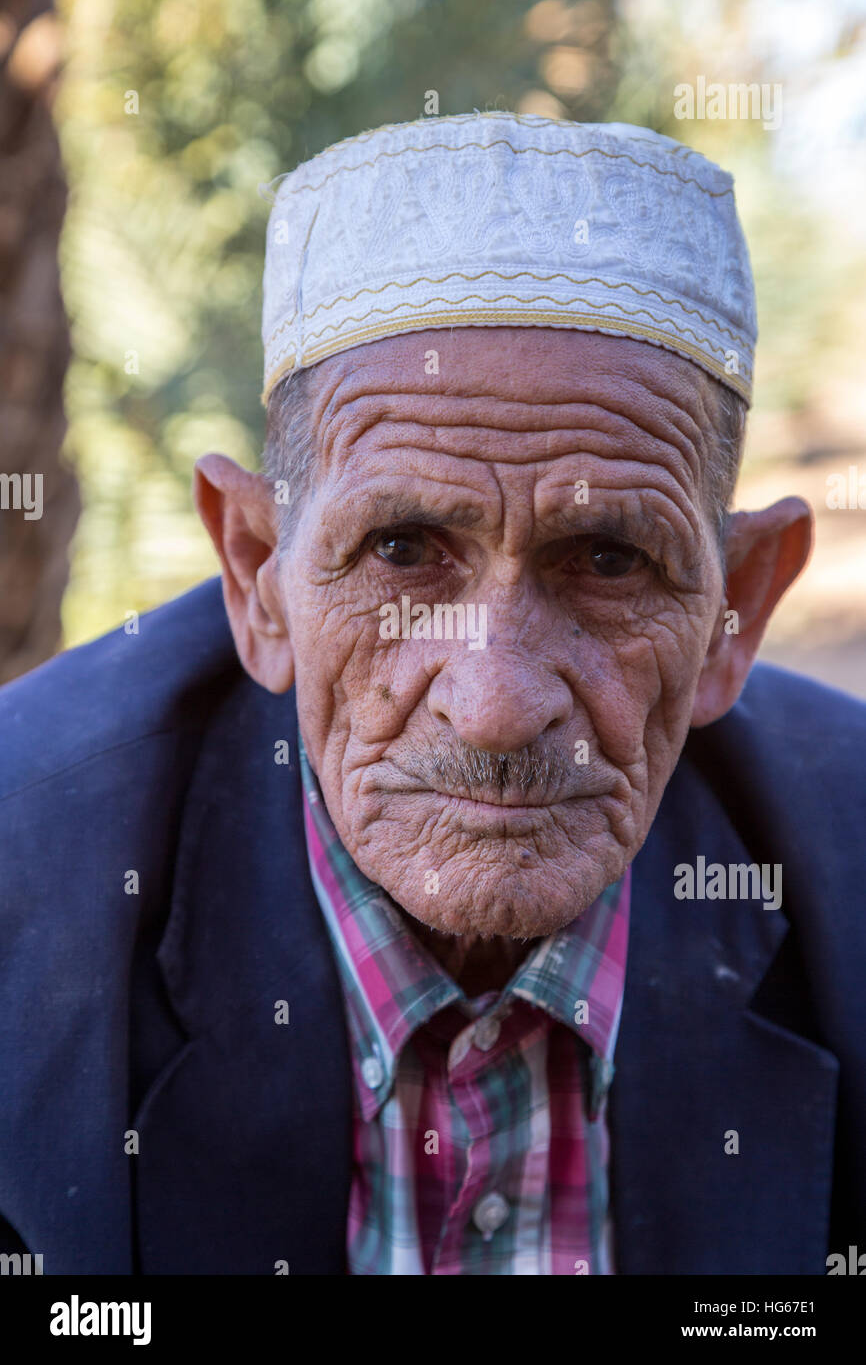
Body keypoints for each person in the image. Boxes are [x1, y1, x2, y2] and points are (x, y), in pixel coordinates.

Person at [1, 113, 863, 1276]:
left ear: (735, 609)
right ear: (258, 576)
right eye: (403, 550)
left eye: (608, 561)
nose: (497, 704)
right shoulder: (22, 890)